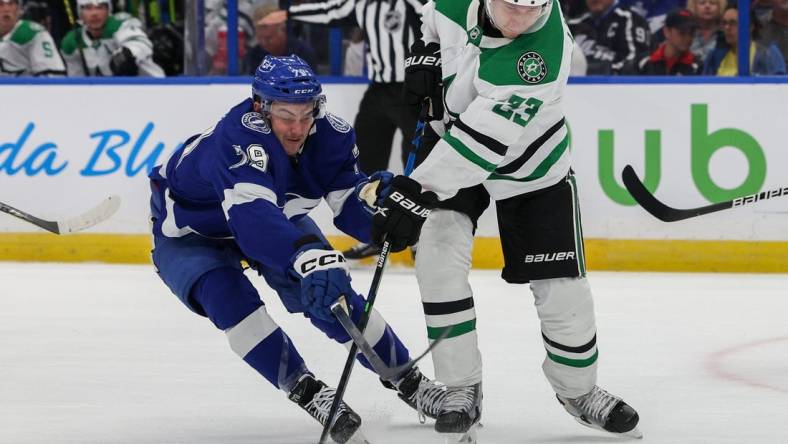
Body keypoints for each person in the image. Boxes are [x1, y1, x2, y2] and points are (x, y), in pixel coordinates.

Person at [366, 0, 642, 440]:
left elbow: (480, 147)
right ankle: (460, 388)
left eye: (531, 11)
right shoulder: (453, 3)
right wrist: (426, 48)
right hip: (451, 140)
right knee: (436, 257)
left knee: (563, 288)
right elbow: (431, 17)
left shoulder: (544, 53)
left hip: (530, 165)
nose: (519, 21)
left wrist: (415, 192)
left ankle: (578, 390)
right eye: (510, 7)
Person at [148, 55, 446, 444]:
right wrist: (305, 256)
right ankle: (306, 389)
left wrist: (380, 214)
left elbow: (347, 203)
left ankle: (409, 380)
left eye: (307, 114)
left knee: (333, 296)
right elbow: (251, 217)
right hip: (192, 233)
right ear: (261, 107)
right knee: (230, 302)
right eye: (286, 114)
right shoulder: (236, 136)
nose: (297, 127)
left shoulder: (331, 135)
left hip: (274, 220)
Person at [288, 0, 426, 260]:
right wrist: (287, 13)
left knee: (419, 161)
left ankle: (422, 236)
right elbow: (329, 11)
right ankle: (374, 230)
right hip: (378, 90)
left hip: (413, 90)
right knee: (365, 160)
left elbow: (437, 20)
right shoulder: (364, 4)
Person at [60, 0, 164, 77]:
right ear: (80, 13)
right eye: (88, 8)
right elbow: (77, 81)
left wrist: (127, 53)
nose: (94, 14)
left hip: (150, 88)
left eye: (100, 7)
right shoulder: (72, 42)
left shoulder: (120, 24)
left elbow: (141, 44)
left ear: (108, 10)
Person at [568, 0, 652, 74]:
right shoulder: (574, 25)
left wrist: (601, 72)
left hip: (615, 86)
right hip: (573, 85)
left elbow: (635, 61)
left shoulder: (629, 19)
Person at [703, 3, 786, 75]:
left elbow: (779, 87)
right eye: (724, 23)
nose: (727, 27)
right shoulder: (714, 57)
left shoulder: (768, 53)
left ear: (750, 26)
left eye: (733, 23)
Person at [242, 5, 317, 75]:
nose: (263, 42)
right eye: (259, 38)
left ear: (282, 31)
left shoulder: (303, 54)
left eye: (269, 38)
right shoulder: (253, 55)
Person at [0, 0, 66, 76]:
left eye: (11, 4)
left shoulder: (34, 34)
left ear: (18, 9)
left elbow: (54, 80)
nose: (6, 9)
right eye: (0, 4)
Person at [628, 8, 701, 75]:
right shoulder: (643, 62)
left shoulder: (697, 66)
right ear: (666, 31)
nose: (687, 38)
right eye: (682, 33)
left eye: (691, 33)